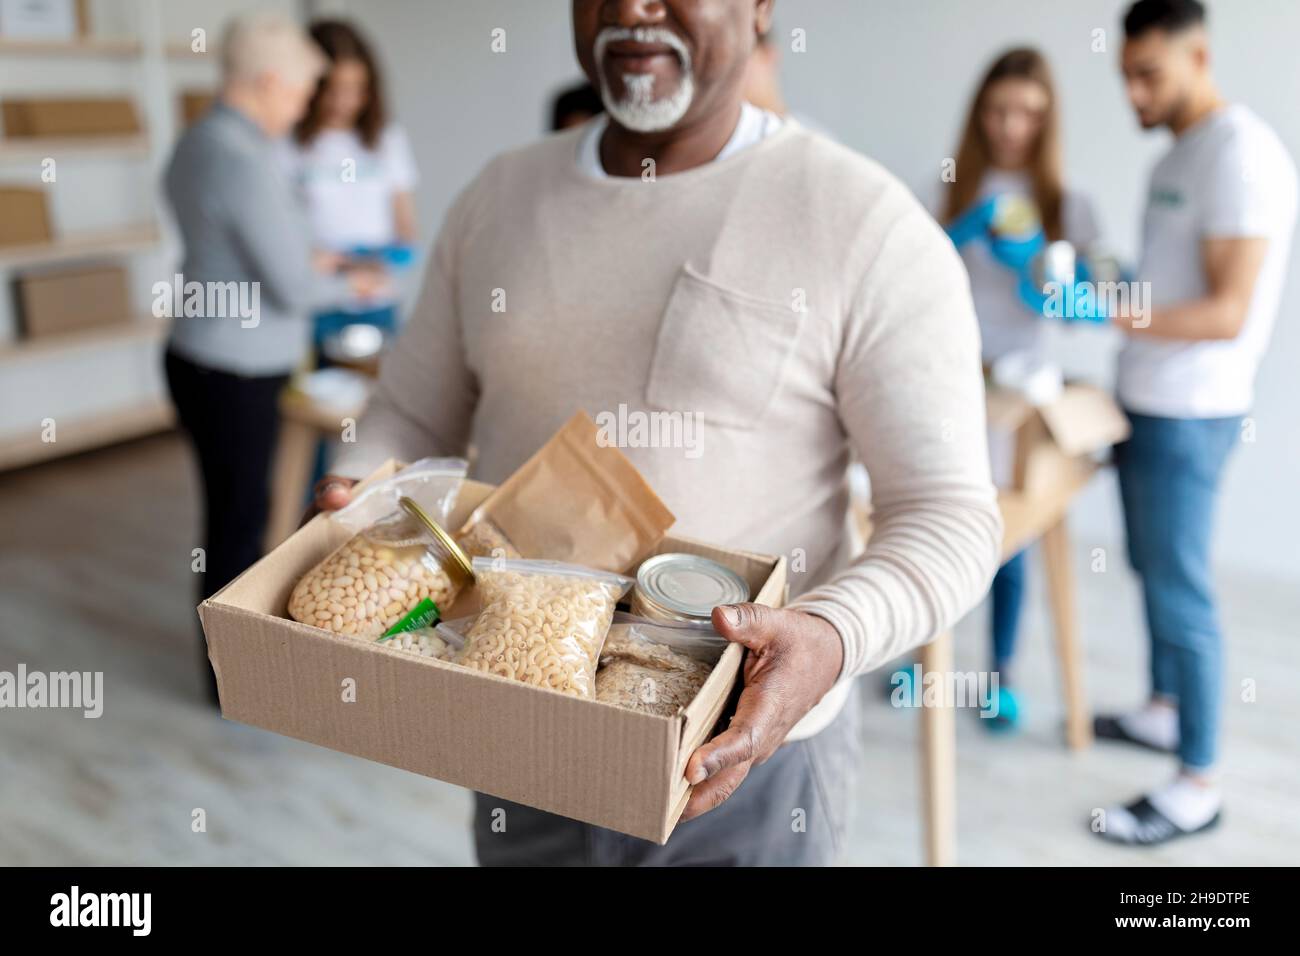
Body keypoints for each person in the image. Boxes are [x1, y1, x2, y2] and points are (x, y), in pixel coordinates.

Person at [313, 0, 1001, 866]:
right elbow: (409, 411)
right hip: (520, 722)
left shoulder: (863, 223)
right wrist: (362, 489)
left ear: (759, 9)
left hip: (744, 764)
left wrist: (830, 636)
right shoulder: (498, 197)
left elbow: (948, 514)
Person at [1096, 0, 1297, 846]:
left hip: (1194, 410)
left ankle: (1197, 783)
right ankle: (1163, 710)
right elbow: (1171, 280)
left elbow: (1224, 310)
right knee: (1150, 566)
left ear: (1200, 56)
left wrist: (1109, 308)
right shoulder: (1179, 152)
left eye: (1151, 75)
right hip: (1149, 399)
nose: (1136, 94)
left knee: (1181, 588)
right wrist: (1116, 283)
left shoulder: (1240, 153)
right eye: (1127, 77)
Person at [163, 13, 372, 704]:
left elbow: (238, 249)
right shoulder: (244, 157)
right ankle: (232, 682)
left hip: (199, 354)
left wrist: (308, 257)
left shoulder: (200, 138)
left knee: (230, 513)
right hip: (236, 368)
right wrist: (354, 281)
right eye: (304, 91)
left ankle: (228, 671)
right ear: (270, 80)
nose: (304, 105)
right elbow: (290, 285)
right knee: (239, 524)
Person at [939, 48, 1101, 730]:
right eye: (999, 109)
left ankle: (999, 675)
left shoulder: (1069, 205)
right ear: (980, 111)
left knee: (1012, 531)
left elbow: (1093, 304)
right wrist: (956, 234)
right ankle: (927, 668)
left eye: (1028, 112)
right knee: (938, 524)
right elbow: (907, 279)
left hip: (1022, 393)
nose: (1011, 126)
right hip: (951, 383)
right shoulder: (948, 187)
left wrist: (1049, 281)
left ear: (1048, 117)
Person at [280, 18, 419, 353]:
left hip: (378, 304)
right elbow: (279, 232)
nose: (343, 102)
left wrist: (383, 260)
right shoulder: (287, 145)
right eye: (333, 89)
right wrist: (328, 262)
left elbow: (407, 232)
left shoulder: (387, 140)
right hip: (317, 305)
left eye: (355, 89)